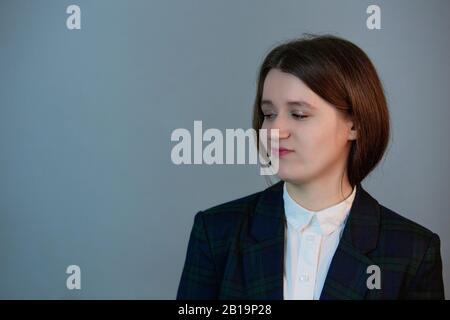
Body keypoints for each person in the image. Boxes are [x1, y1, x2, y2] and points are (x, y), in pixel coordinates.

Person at [176, 34, 445, 300]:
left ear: (355, 124)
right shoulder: (216, 233)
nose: (274, 130)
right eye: (268, 114)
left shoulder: (412, 252)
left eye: (299, 114)